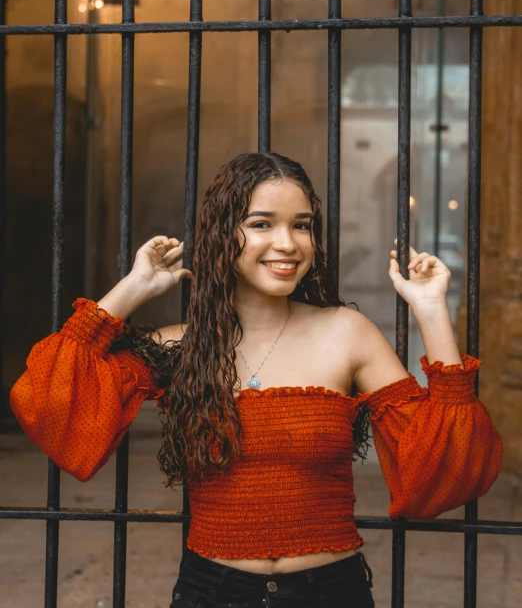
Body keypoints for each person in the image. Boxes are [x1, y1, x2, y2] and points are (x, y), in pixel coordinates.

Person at [10, 152, 503, 608]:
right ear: (224, 234)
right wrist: (132, 289)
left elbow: (444, 469)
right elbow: (50, 406)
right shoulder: (178, 346)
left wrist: (433, 311)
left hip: (331, 591)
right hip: (212, 590)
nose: (287, 243)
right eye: (262, 223)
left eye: (302, 226)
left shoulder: (346, 333)